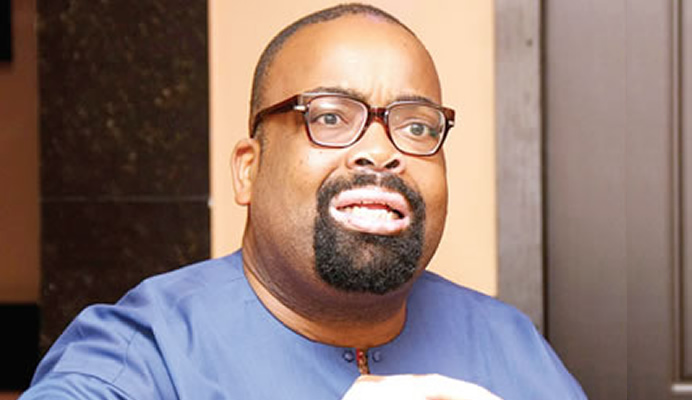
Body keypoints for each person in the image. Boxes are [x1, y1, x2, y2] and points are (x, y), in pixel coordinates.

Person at [20, 3, 587, 400]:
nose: (380, 152)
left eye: (416, 127)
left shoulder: (510, 345)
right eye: (330, 117)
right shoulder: (146, 352)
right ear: (249, 169)